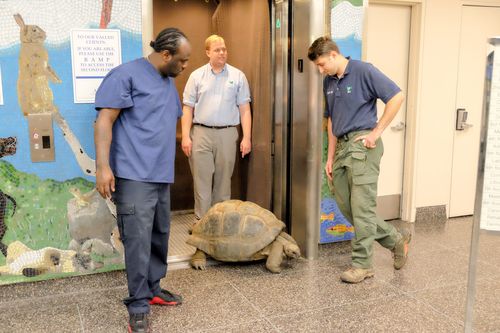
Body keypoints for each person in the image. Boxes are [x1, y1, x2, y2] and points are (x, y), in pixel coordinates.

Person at [94, 28, 191, 332]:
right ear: (166, 55)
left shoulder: (168, 80)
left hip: (160, 175)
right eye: (183, 60)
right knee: (137, 241)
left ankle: (153, 288)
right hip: (134, 174)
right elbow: (104, 120)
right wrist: (103, 168)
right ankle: (137, 304)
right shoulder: (126, 75)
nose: (185, 66)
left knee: (159, 234)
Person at [308, 36, 411, 284]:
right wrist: (329, 156)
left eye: (322, 64)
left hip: (363, 147)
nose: (320, 70)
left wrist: (376, 132)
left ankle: (363, 265)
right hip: (342, 148)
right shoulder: (329, 82)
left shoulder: (364, 70)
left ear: (333, 54)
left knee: (363, 210)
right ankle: (396, 240)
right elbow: (331, 120)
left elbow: (396, 96)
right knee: (349, 208)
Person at [181, 34, 252, 220]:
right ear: (207, 53)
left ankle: (220, 224)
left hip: (227, 134)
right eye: (217, 50)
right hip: (201, 133)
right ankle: (202, 224)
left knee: (223, 183)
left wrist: (247, 137)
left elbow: (245, 108)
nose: (222, 53)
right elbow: (187, 108)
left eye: (224, 49)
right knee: (201, 182)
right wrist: (186, 136)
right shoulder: (196, 76)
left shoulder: (238, 76)